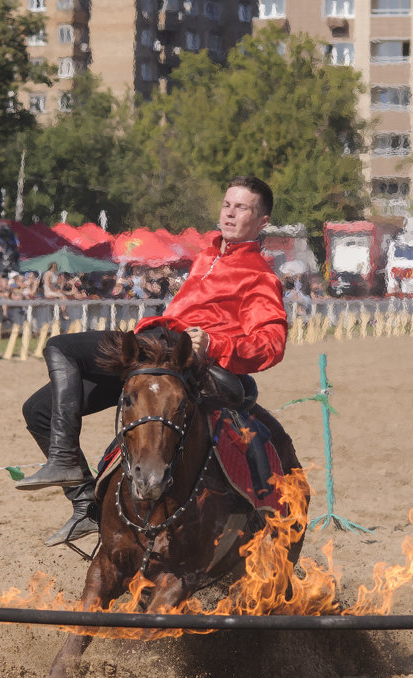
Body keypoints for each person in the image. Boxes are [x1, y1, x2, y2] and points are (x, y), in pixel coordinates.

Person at [18, 176, 287, 547]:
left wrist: (216, 343)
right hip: (150, 346)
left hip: (175, 354)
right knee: (37, 411)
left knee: (60, 347)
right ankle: (84, 507)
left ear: (262, 221)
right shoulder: (207, 255)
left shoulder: (260, 275)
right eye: (227, 204)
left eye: (242, 208)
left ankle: (63, 459)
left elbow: (272, 343)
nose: (229, 212)